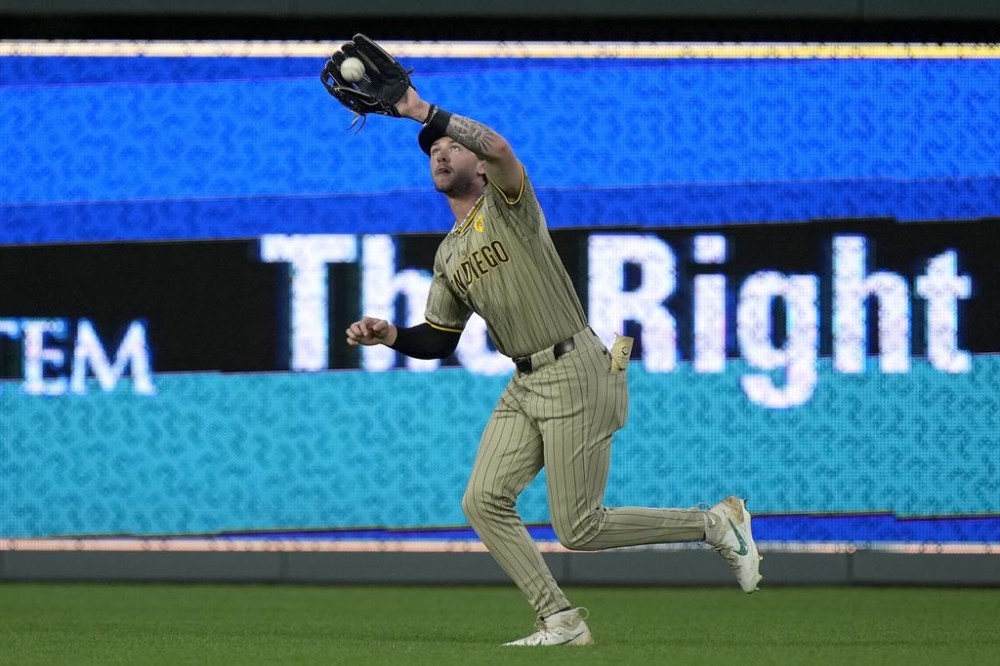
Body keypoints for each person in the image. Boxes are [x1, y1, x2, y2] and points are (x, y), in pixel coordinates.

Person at [343, 45, 762, 648]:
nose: (438, 150)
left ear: (479, 167)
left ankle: (715, 523)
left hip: (575, 367)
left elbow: (502, 148)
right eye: (432, 151)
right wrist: (391, 337)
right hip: (525, 382)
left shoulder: (510, 205)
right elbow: (439, 338)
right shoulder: (448, 253)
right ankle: (560, 620)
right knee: (484, 500)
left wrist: (420, 110)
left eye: (450, 146)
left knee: (580, 528)